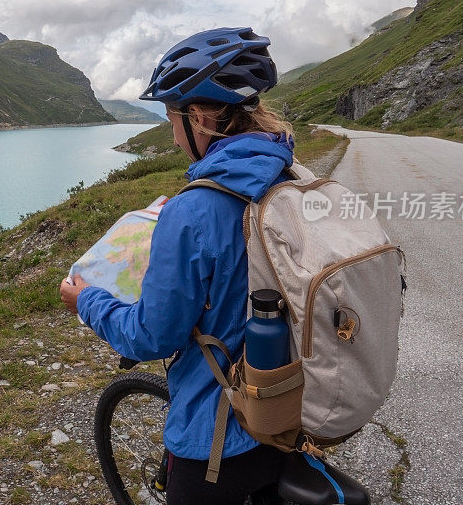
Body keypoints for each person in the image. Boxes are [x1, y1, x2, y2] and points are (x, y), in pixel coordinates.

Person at [60, 27, 294, 505]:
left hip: (220, 436)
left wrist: (87, 301)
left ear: (201, 117)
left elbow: (153, 337)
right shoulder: (282, 173)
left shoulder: (195, 211)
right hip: (285, 409)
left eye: (172, 118)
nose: (171, 132)